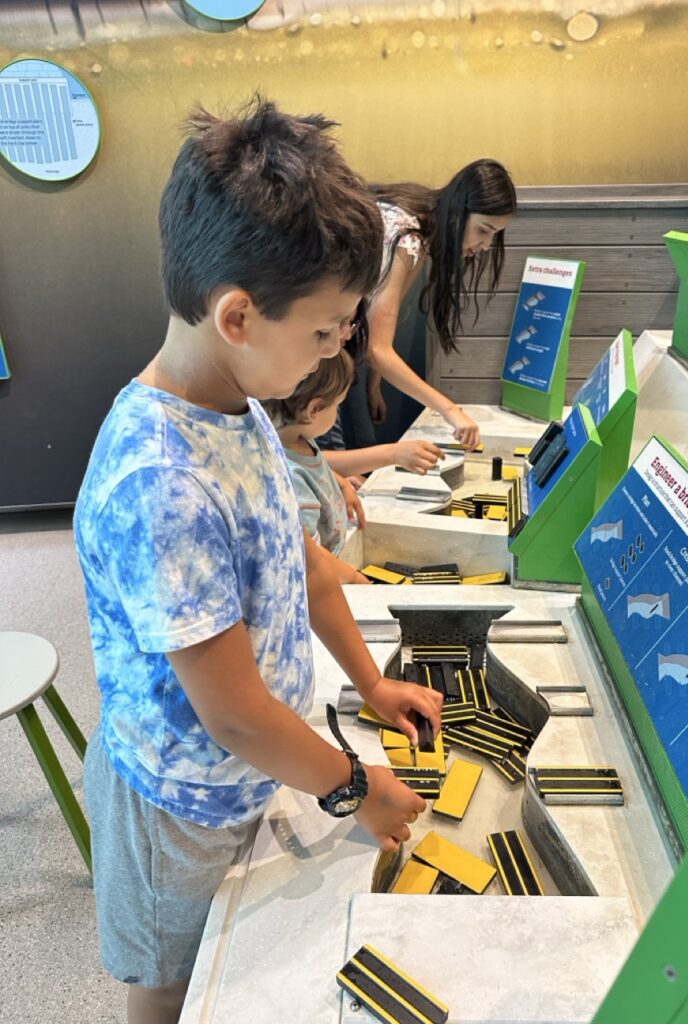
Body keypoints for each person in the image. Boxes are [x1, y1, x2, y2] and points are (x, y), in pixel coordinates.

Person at [73, 97, 442, 1024]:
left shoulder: (239, 409)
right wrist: (353, 787)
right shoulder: (161, 480)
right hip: (179, 804)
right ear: (238, 315)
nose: (337, 349)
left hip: (251, 767)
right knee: (175, 980)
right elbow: (233, 713)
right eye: (324, 331)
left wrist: (369, 682)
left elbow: (301, 559)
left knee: (231, 959)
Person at [350, 160, 517, 452]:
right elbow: (376, 349)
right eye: (483, 230)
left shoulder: (422, 226)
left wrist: (373, 384)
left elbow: (376, 323)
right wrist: (449, 409)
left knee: (360, 444)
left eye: (494, 234)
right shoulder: (406, 236)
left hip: (346, 342)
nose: (486, 245)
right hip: (321, 349)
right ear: (458, 213)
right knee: (343, 450)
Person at [265, 349, 444, 583]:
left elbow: (317, 466)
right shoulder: (292, 476)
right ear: (313, 410)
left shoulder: (301, 441)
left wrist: (339, 483)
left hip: (338, 564)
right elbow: (310, 557)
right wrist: (354, 578)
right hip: (328, 581)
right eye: (337, 405)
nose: (338, 411)